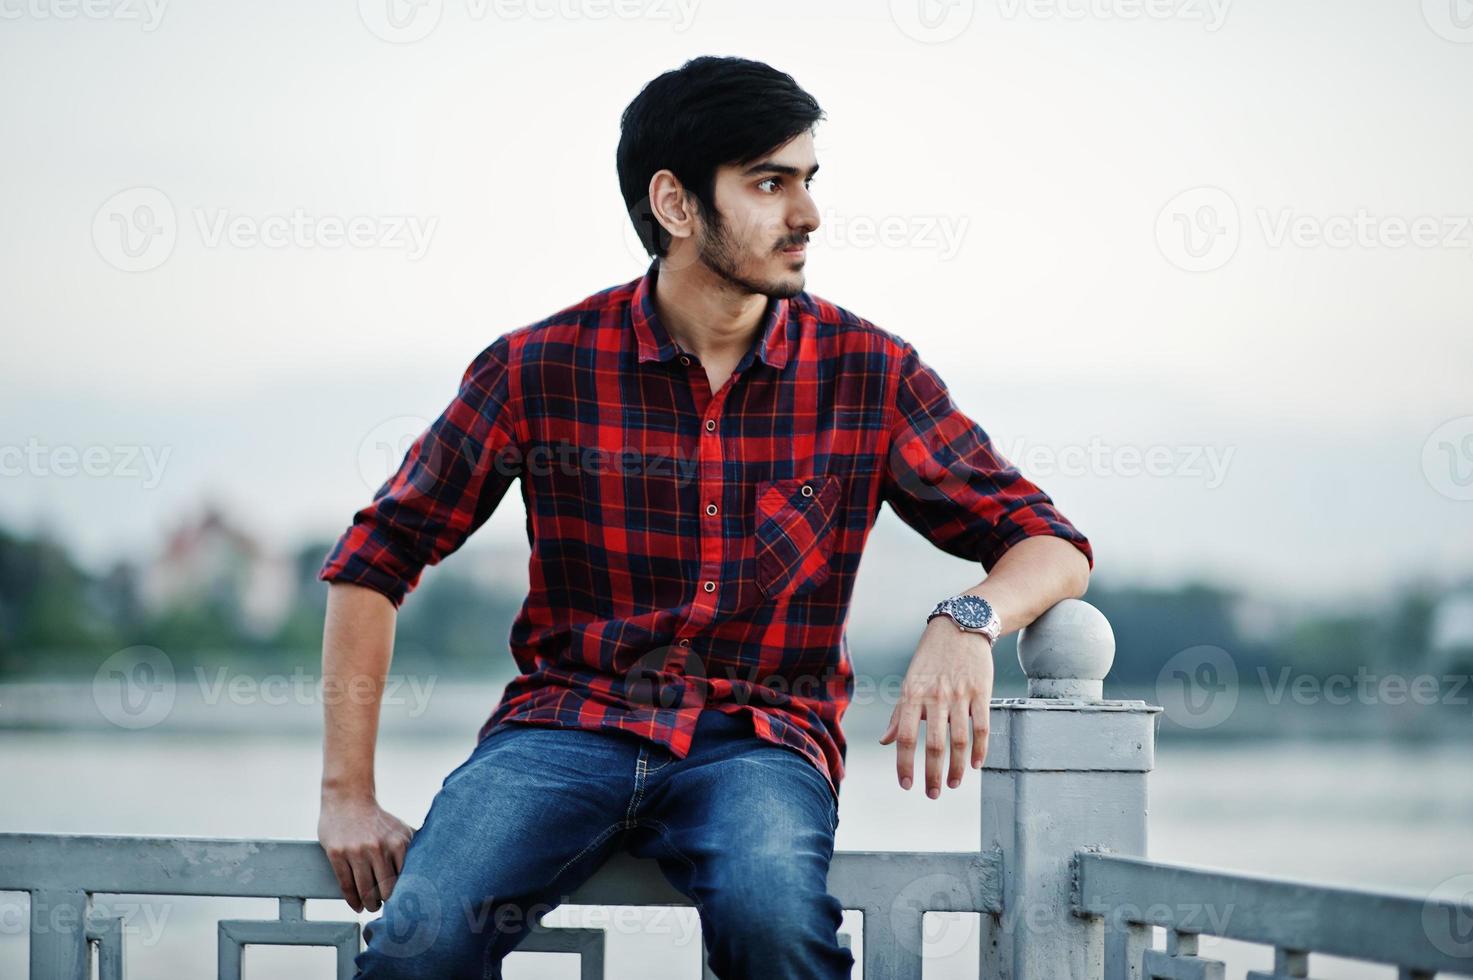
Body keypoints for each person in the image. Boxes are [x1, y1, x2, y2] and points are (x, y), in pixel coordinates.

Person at [315, 54, 1094, 980]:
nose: (806, 214)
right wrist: (347, 798)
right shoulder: (539, 367)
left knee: (777, 932)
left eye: (807, 181)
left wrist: (966, 619)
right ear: (677, 205)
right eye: (770, 183)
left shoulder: (866, 372)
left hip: (759, 744)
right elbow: (378, 555)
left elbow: (1049, 541)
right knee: (417, 944)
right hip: (565, 728)